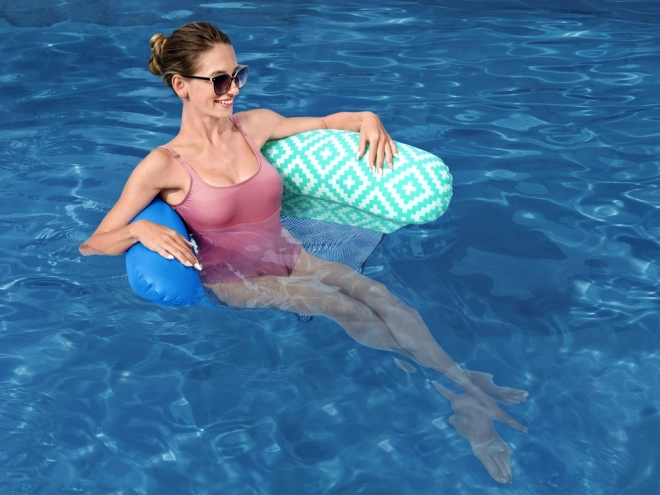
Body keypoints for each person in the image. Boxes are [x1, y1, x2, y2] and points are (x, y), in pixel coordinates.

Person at [79, 22, 528, 483]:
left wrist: (366, 116)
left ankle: (464, 381)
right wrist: (139, 228)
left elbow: (325, 123)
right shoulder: (163, 165)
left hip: (289, 254)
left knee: (383, 297)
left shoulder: (253, 127)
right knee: (342, 306)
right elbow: (93, 244)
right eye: (219, 80)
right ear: (181, 86)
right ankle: (459, 399)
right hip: (233, 279)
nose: (233, 89)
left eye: (238, 75)